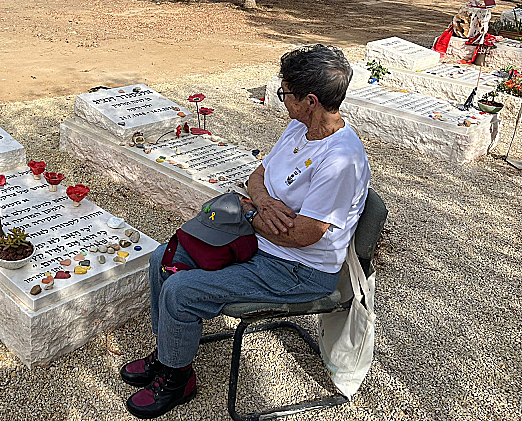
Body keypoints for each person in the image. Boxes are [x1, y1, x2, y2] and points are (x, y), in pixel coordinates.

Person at [119, 45, 371, 419]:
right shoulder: (299, 127)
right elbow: (257, 176)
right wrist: (263, 205)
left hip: (299, 270)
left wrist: (251, 214)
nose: (282, 98)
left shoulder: (340, 160)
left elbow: (304, 234)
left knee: (180, 289)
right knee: (163, 257)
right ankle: (168, 351)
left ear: (311, 101)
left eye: (286, 93)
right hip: (265, 241)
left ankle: (178, 378)